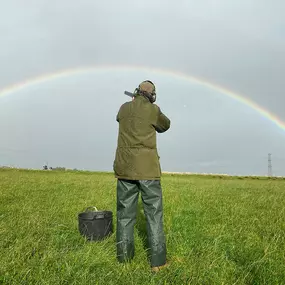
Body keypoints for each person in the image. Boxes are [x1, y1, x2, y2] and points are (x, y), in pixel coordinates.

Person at [113, 80, 171, 272]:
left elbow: (121, 118)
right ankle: (158, 263)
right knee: (153, 215)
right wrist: (156, 109)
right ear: (152, 94)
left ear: (137, 92)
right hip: (148, 171)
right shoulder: (153, 110)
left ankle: (124, 259)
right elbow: (165, 125)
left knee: (124, 215)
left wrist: (133, 104)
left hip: (125, 169)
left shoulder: (123, 108)